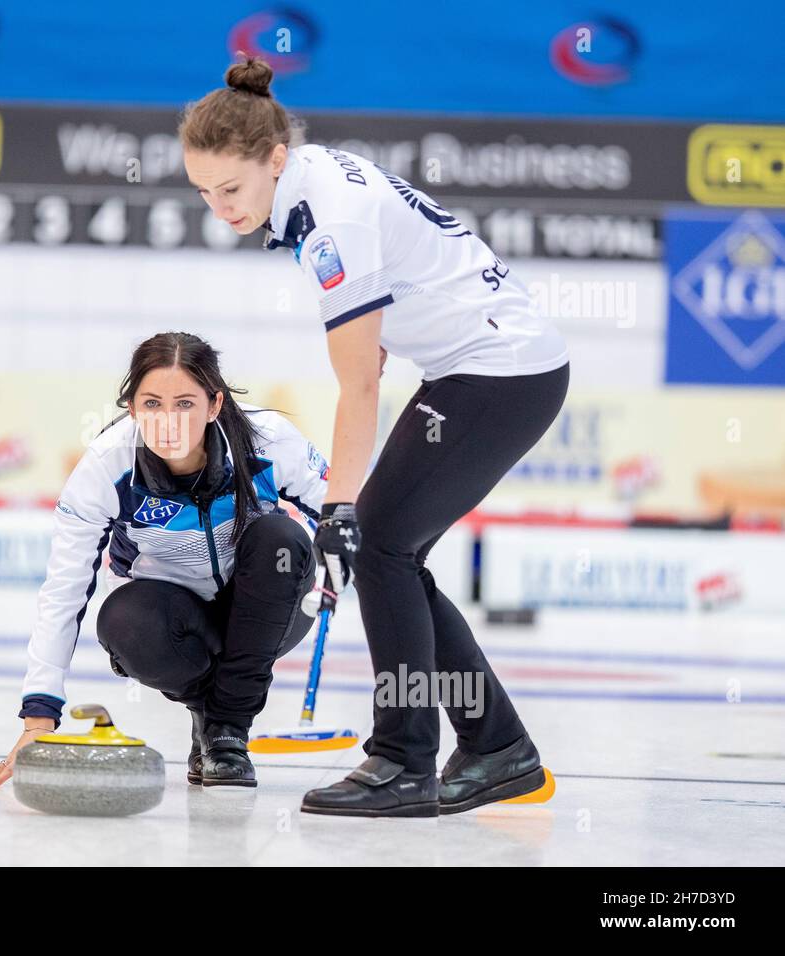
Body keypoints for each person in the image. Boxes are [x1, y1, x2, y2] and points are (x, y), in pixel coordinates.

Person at [179, 57, 570, 817]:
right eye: (203, 192)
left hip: (501, 371)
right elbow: (376, 344)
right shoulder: (310, 183)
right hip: (482, 365)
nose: (220, 208)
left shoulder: (331, 224)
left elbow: (360, 386)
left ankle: (402, 760)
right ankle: (497, 748)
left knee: (381, 543)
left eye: (231, 189)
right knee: (396, 554)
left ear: (275, 160)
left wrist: (337, 508)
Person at [0, 332, 331, 789]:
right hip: (173, 620)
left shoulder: (268, 441)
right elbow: (63, 590)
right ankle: (215, 717)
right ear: (131, 408)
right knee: (122, 620)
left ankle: (227, 730)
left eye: (185, 404)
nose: (168, 422)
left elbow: (347, 515)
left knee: (280, 539)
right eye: (152, 404)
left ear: (215, 404)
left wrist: (347, 554)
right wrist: (38, 719)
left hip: (267, 610)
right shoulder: (107, 467)